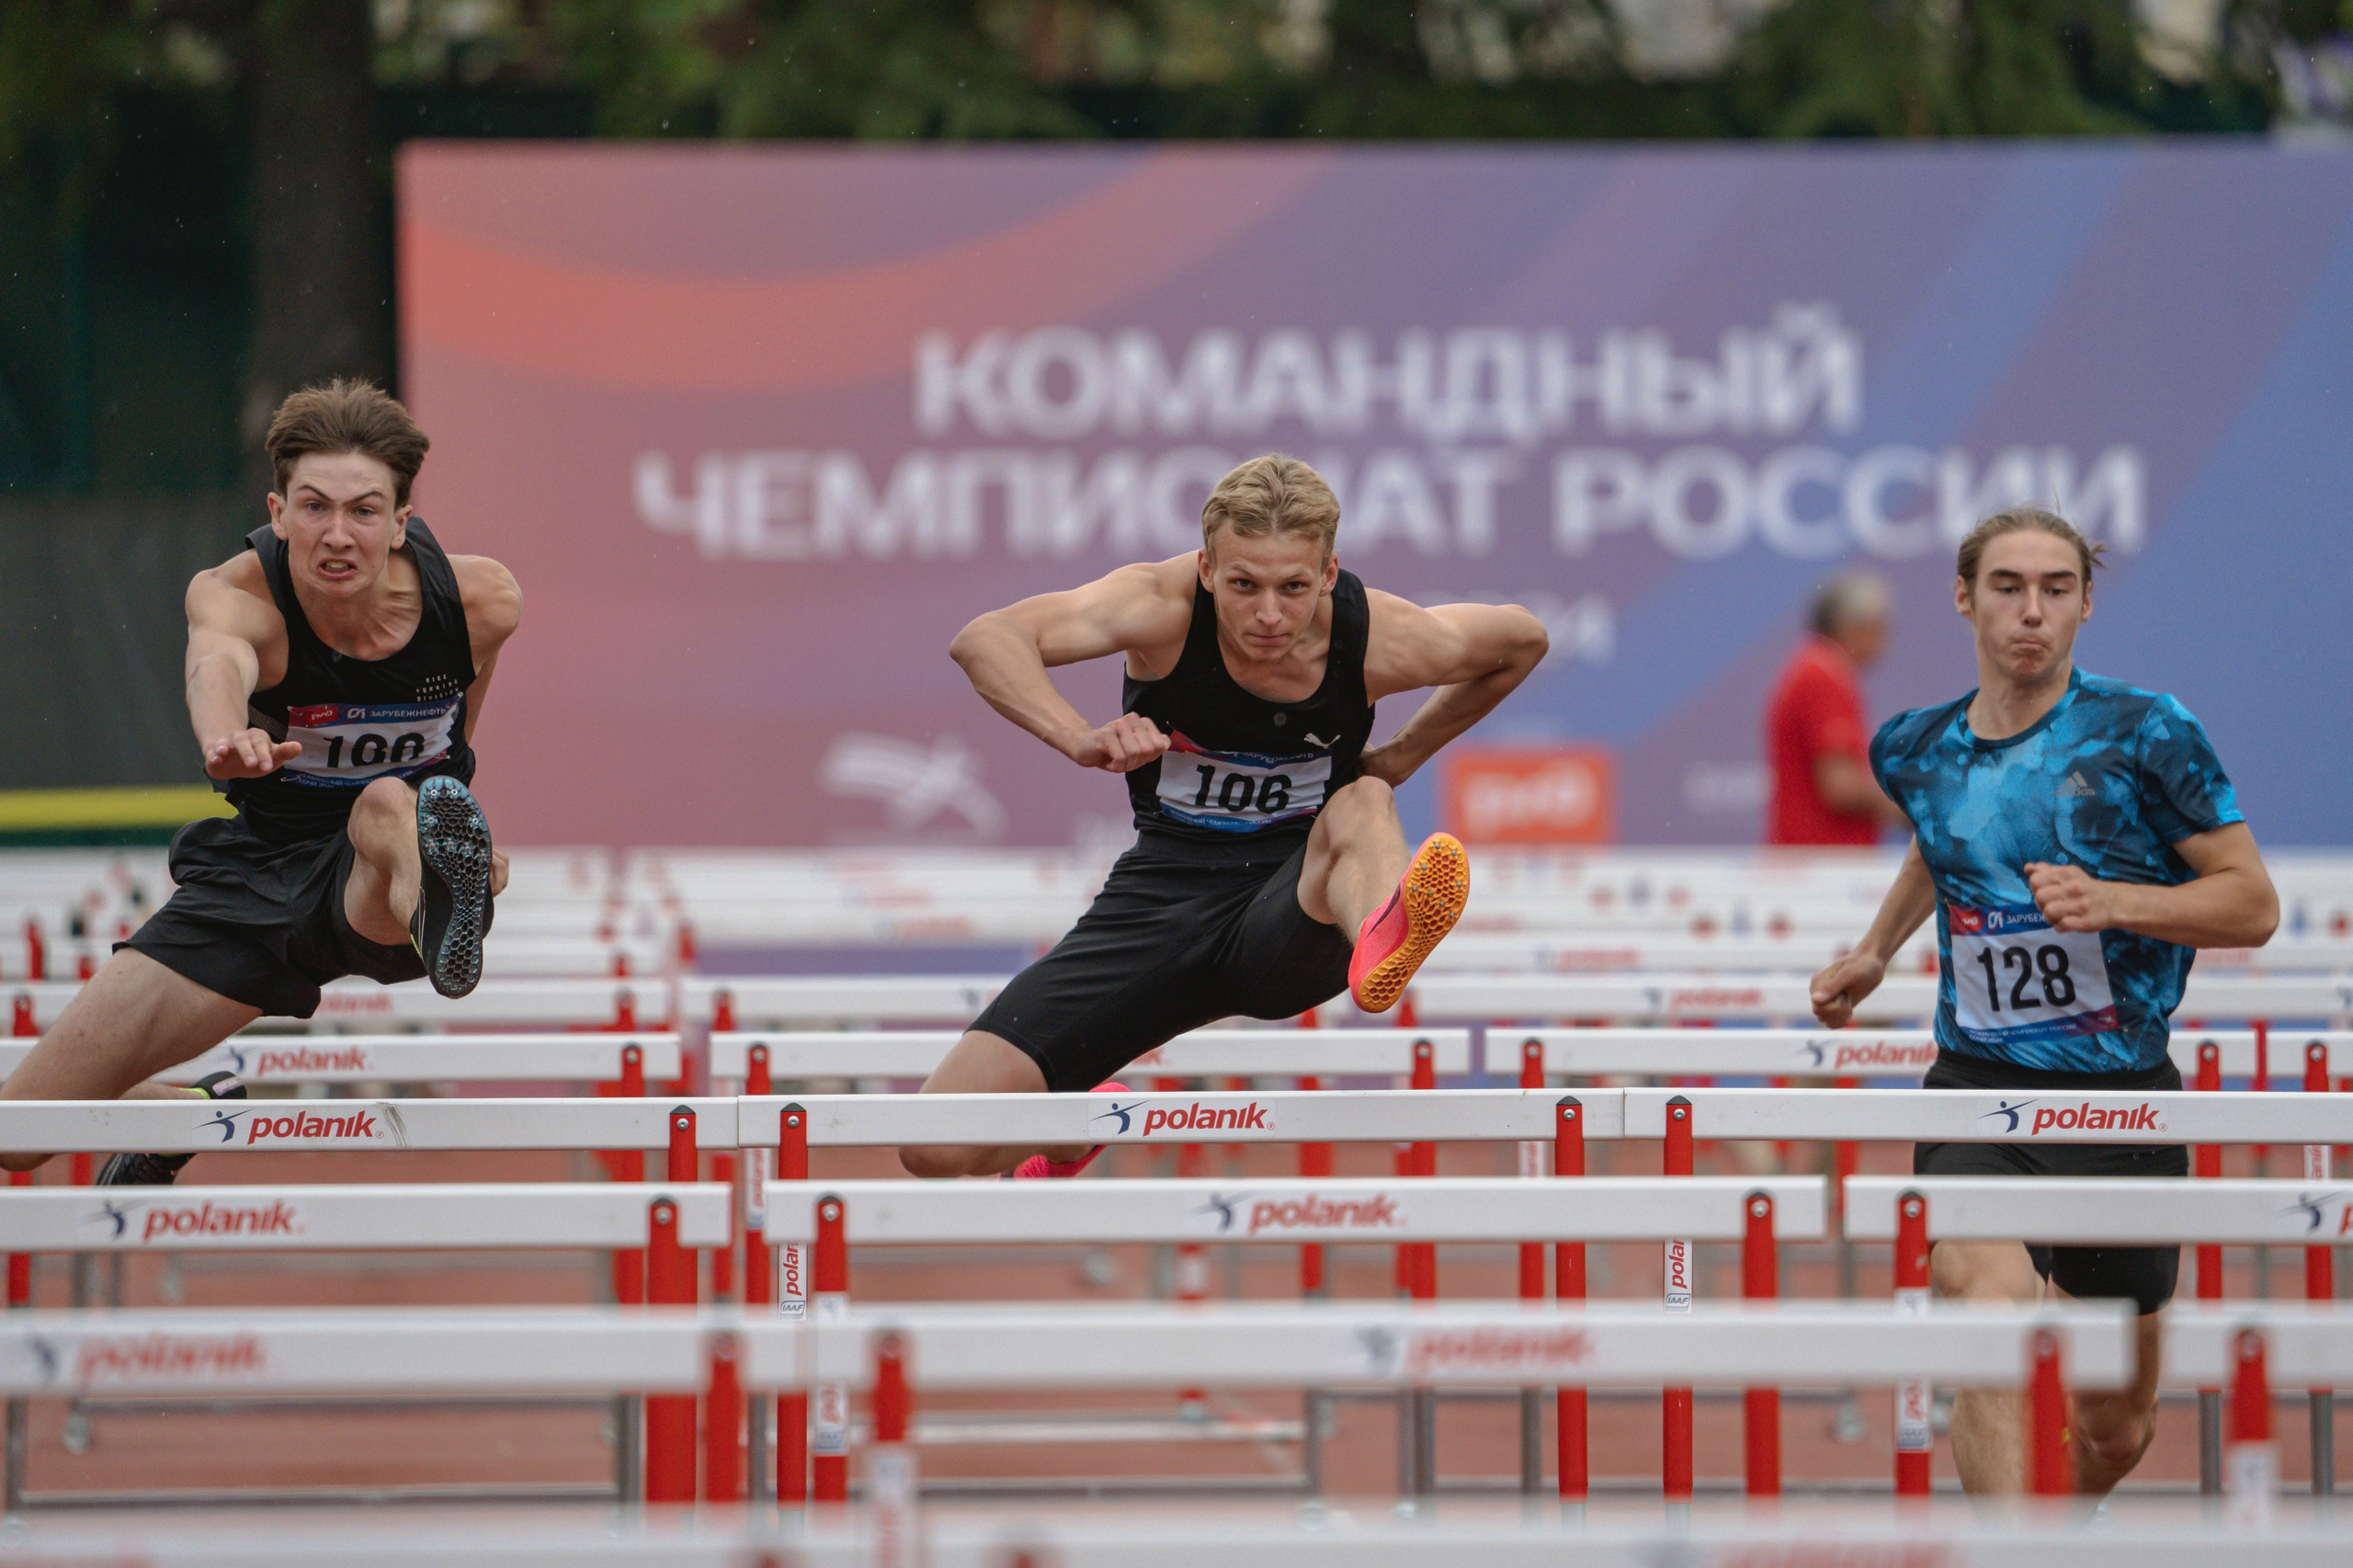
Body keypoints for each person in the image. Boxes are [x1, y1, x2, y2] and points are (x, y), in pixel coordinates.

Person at [901, 455, 1548, 1180]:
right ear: (1207, 570)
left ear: (1329, 574)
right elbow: (987, 639)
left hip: (1293, 917)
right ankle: (1069, 1131)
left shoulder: (1379, 640)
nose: (1268, 614)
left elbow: (1520, 640)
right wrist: (1079, 737)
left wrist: (1400, 755)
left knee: (1365, 801)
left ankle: (1381, 934)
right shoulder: (1160, 606)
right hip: (1155, 907)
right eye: (1244, 586)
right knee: (932, 1145)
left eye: (1293, 588)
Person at [1810, 507, 2277, 1497]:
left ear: (2085, 602)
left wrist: (2113, 900)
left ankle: (2061, 1507)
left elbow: (2252, 903)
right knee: (1983, 1312)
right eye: (2009, 587)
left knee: (2114, 1428)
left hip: (2121, 1101)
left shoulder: (2146, 731)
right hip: (1976, 1085)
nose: (2031, 611)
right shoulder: (1911, 746)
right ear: (1964, 597)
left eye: (2055, 589)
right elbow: (1946, 840)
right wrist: (1874, 950)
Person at [0, 381, 521, 1186]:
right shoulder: (238, 595)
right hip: (254, 878)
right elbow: (216, 662)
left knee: (386, 804)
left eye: (363, 511)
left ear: (400, 524)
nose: (337, 535)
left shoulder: (481, 603)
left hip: (375, 885)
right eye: (314, 508)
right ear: (278, 514)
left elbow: (459, 723)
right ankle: (176, 1110)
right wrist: (223, 736)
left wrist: (450, 821)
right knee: (19, 1134)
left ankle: (436, 884)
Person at [1765, 570, 1907, 845]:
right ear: (1853, 627)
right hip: (1822, 864)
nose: (1884, 642)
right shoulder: (1822, 675)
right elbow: (1840, 786)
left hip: (1816, 861)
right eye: (1880, 629)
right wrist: (1911, 808)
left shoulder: (1814, 668)